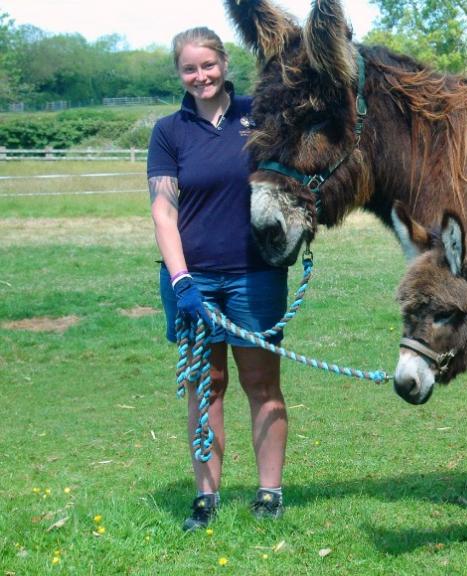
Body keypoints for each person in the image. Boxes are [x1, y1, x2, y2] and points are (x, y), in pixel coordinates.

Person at [147, 27, 289, 531]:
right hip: (194, 281)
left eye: (208, 65)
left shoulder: (261, 116)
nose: (200, 76)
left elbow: (291, 180)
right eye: (190, 68)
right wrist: (182, 280)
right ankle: (206, 497)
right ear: (180, 73)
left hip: (256, 275)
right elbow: (164, 212)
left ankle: (270, 493)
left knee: (262, 384)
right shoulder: (170, 131)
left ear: (224, 64)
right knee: (206, 387)